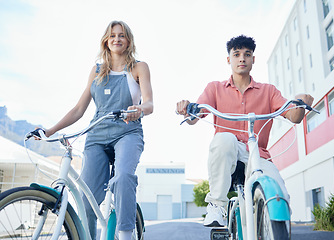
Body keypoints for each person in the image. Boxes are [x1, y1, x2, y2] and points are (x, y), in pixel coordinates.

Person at [176, 35, 313, 227]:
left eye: (247, 54)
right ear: (228, 59)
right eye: (237, 54)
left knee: (279, 194)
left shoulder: (268, 91)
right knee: (224, 139)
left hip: (258, 155)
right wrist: (187, 108)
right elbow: (196, 115)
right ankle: (216, 205)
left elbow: (294, 116)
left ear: (253, 59)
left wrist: (301, 101)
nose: (242, 58)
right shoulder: (215, 88)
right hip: (227, 152)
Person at [42, 20, 153, 240]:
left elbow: (150, 103)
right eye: (112, 35)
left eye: (121, 35)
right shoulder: (97, 70)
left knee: (122, 177)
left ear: (128, 40)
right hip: (97, 135)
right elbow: (79, 109)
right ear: (106, 40)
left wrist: (139, 109)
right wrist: (50, 131)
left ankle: (125, 235)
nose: (117, 39)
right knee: (86, 196)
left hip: (127, 133)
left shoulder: (139, 67)